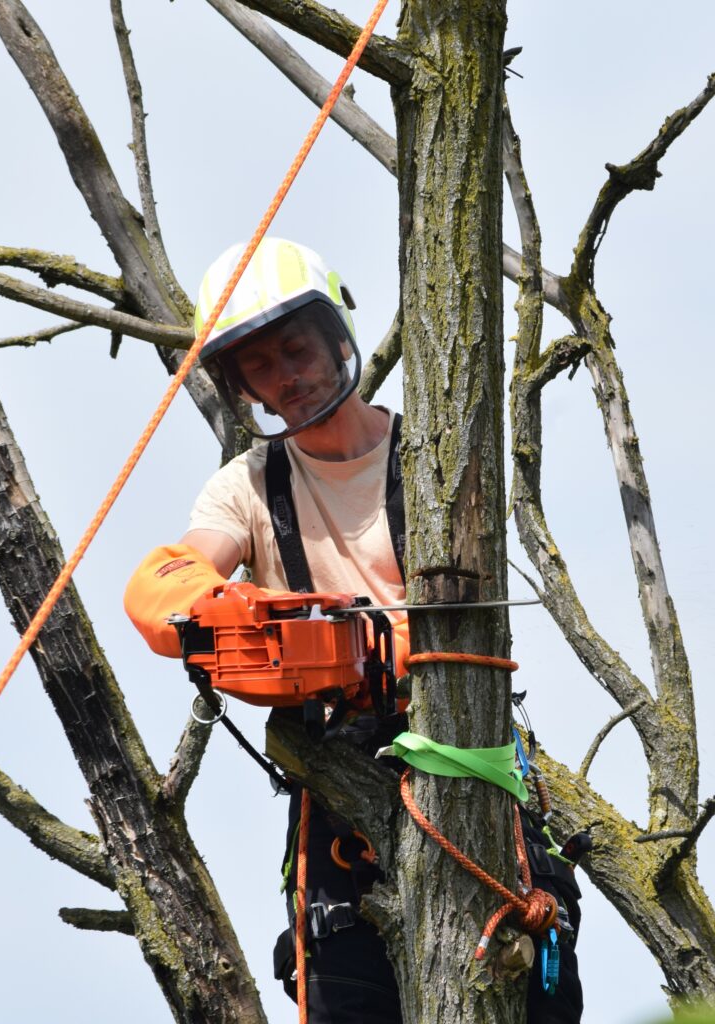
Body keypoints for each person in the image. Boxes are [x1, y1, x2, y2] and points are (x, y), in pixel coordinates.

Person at [124, 238, 582, 1023]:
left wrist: (373, 643)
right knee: (344, 985)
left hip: (466, 753)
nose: (285, 376)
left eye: (295, 349)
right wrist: (241, 617)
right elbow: (167, 582)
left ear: (338, 338)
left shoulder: (436, 457)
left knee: (519, 980)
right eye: (260, 367)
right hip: (337, 784)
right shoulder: (248, 487)